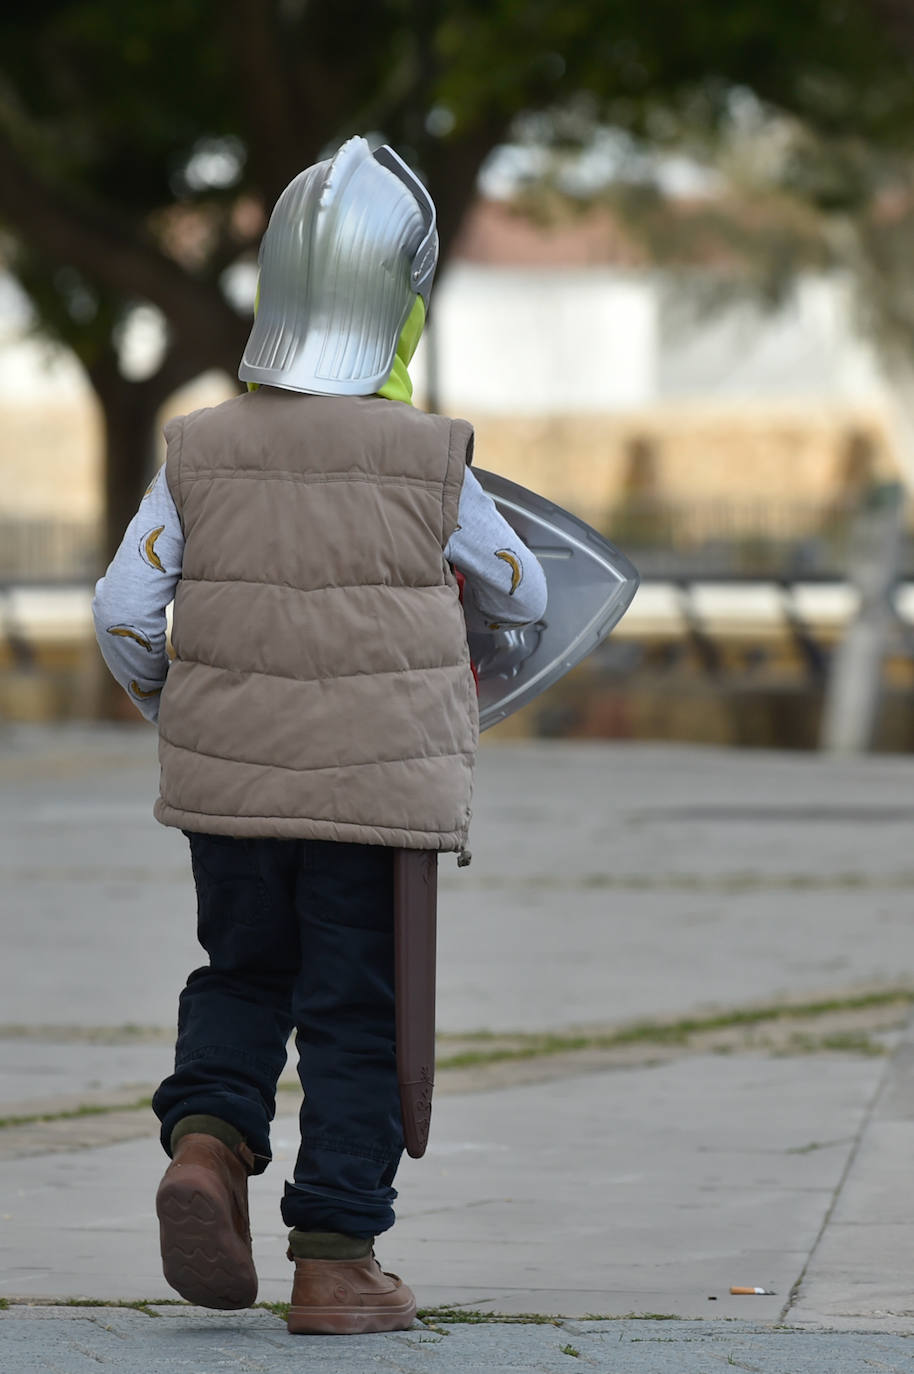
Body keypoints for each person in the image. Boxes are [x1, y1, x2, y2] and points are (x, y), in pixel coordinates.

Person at [92, 135, 547, 1335]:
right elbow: (525, 596)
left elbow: (123, 613)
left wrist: (181, 707)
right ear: (395, 300)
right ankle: (337, 1259)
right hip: (376, 797)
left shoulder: (199, 445)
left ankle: (205, 1146)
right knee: (355, 1011)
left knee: (240, 972)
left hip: (230, 790)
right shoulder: (430, 457)